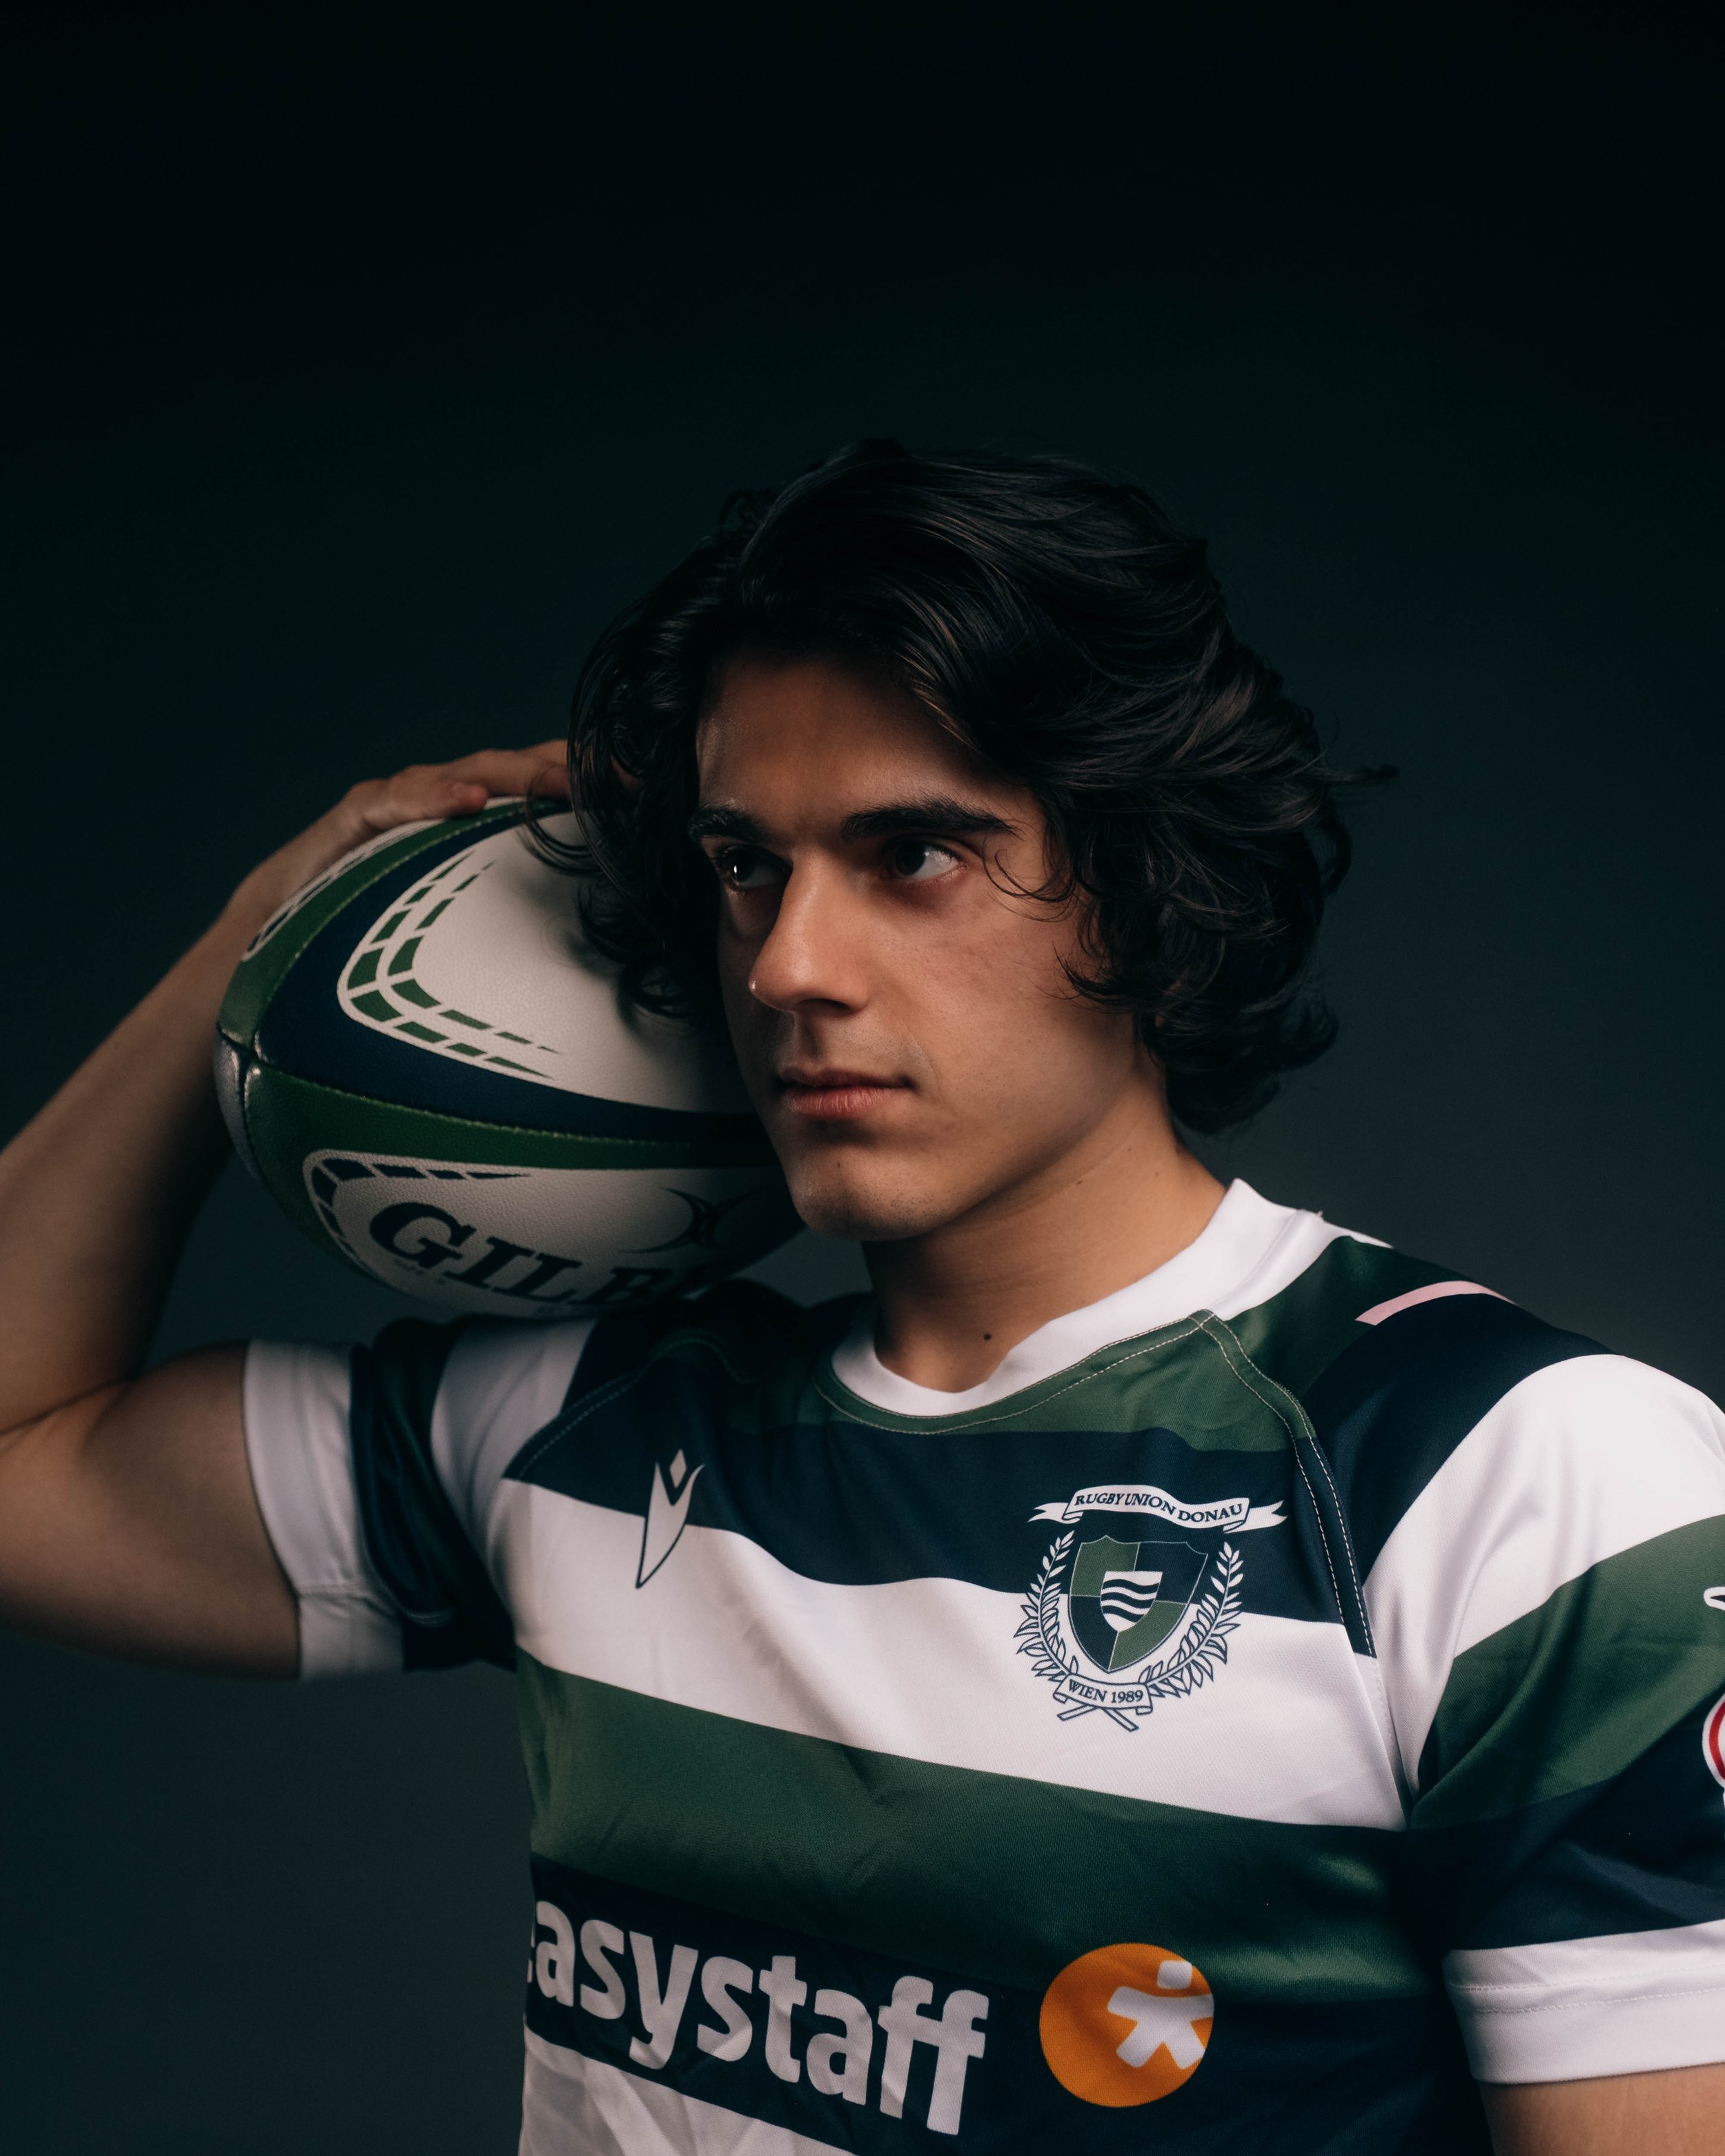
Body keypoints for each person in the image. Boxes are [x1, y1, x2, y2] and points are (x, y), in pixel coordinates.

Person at [1, 444, 1721, 2155]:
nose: (786, 966)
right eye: (748, 864)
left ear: (1143, 885)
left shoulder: (1522, 1484)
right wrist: (261, 937)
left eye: (912, 854)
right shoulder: (581, 1421)